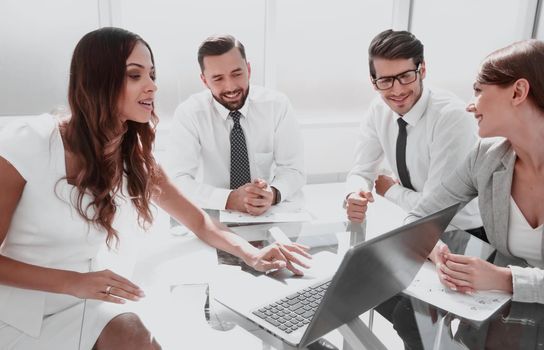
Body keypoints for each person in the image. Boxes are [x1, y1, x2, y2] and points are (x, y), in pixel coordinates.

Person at [0, 27, 310, 350]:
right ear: (97, 80)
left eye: (152, 74)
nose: (152, 86)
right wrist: (73, 282)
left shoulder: (135, 159)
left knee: (139, 337)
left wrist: (253, 254)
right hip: (19, 314)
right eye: (135, 76)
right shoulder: (29, 142)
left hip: (87, 306)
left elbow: (199, 221)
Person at [407, 39, 544, 303]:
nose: (470, 105)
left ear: (518, 92)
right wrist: (435, 251)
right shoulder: (486, 157)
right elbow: (418, 218)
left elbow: (503, 278)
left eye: (479, 91)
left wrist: (505, 279)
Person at [344, 29, 484, 239]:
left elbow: (437, 208)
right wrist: (354, 193)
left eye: (406, 76)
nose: (397, 90)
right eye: (385, 81)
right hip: (413, 224)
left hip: (460, 232)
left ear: (423, 70)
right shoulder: (378, 109)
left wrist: (390, 190)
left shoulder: (451, 118)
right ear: (373, 82)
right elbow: (361, 170)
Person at [165, 35, 305, 215]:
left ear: (248, 69)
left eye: (237, 74)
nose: (230, 87)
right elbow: (177, 180)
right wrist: (228, 199)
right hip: (211, 216)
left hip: (267, 214)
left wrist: (274, 193)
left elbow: (293, 169)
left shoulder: (277, 105)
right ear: (204, 80)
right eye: (218, 78)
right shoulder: (189, 114)